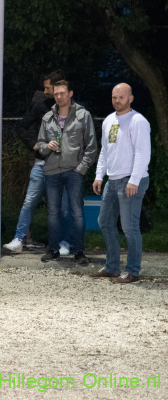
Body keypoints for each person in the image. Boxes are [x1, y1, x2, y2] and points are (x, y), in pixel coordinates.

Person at [3, 70, 73, 255]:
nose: (45, 91)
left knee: (63, 207)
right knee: (29, 201)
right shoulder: (41, 106)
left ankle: (64, 241)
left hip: (63, 165)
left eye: (48, 87)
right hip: (42, 163)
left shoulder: (73, 109)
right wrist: (34, 144)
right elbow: (22, 126)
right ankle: (19, 238)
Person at [89, 84, 151, 284]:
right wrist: (99, 176)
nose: (117, 101)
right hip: (113, 179)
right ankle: (112, 267)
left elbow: (143, 152)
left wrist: (134, 180)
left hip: (131, 180)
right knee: (105, 221)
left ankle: (133, 271)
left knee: (129, 227)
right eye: (114, 97)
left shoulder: (138, 121)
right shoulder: (108, 120)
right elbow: (105, 151)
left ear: (130, 98)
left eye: (121, 97)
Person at [37, 80, 97, 263]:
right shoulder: (48, 117)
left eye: (62, 93)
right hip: (52, 171)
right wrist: (47, 146)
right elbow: (40, 145)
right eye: (56, 94)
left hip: (73, 170)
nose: (59, 97)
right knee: (53, 213)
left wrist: (82, 168)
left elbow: (92, 145)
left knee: (76, 211)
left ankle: (79, 251)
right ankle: (53, 250)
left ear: (70, 93)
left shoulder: (83, 115)